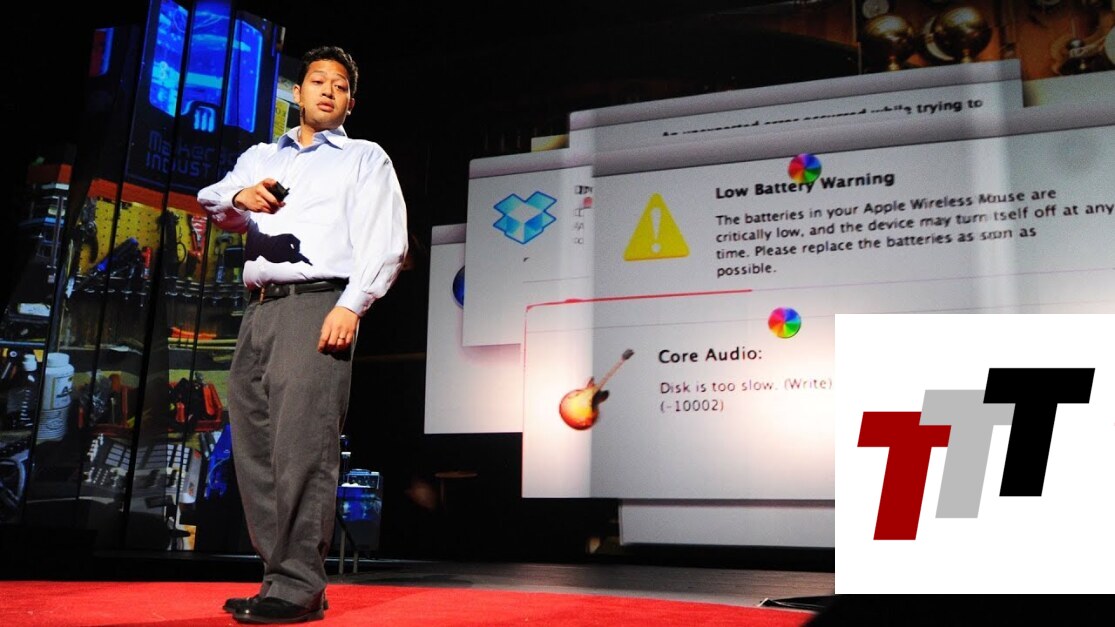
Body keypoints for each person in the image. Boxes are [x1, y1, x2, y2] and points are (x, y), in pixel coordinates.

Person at [197, 45, 407, 624]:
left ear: (350, 101)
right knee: (255, 451)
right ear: (298, 92)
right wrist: (239, 198)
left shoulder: (364, 158)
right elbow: (213, 201)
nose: (328, 91)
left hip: (317, 304)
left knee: (303, 448)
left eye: (340, 86)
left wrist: (352, 305)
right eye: (318, 81)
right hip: (259, 309)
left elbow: (387, 241)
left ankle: (297, 586)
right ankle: (282, 578)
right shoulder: (263, 156)